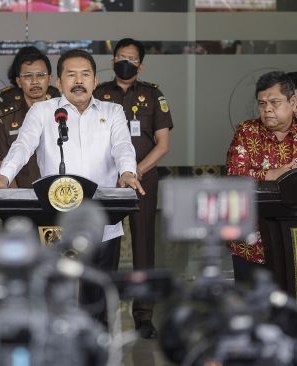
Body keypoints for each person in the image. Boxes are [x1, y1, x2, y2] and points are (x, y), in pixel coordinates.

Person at [0, 49, 144, 322]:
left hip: (102, 220)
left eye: (85, 74)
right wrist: (3, 176)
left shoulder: (113, 111)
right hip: (54, 222)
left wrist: (128, 172)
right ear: (59, 82)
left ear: (96, 81)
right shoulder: (42, 111)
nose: (78, 80)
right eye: (71, 75)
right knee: (55, 298)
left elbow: (122, 146)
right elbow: (22, 147)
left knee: (98, 297)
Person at [226, 71, 297, 281]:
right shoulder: (247, 131)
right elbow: (235, 176)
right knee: (254, 310)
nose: (267, 109)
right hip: (254, 243)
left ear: (292, 102)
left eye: (274, 102)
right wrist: (275, 174)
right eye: (262, 104)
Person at [94, 38, 172, 339]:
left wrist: (135, 170)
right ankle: (103, 312)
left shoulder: (154, 95)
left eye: (131, 57)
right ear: (113, 60)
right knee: (106, 247)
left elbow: (163, 144)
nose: (124, 61)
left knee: (143, 247)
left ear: (140, 64)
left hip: (143, 179)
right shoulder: (99, 93)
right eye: (120, 56)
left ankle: (143, 316)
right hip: (105, 180)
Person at [0, 46, 60, 188]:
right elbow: (0, 161)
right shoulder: (6, 118)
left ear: (49, 78)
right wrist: (15, 198)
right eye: (28, 76)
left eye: (40, 75)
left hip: (60, 194)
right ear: (18, 81)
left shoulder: (63, 114)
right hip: (22, 195)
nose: (34, 81)